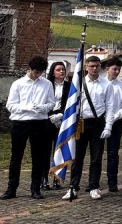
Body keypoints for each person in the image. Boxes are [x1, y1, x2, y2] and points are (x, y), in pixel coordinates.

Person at [3, 56, 55, 201]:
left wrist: (42, 108)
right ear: (30, 69)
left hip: (39, 123)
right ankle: (11, 189)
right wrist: (28, 108)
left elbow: (51, 103)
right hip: (20, 123)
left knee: (38, 157)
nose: (37, 75)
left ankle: (35, 188)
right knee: (16, 157)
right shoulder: (18, 84)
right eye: (35, 72)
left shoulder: (47, 84)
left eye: (40, 72)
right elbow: (10, 105)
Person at [67, 55, 108, 200]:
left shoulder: (106, 84)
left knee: (96, 157)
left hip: (98, 123)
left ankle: (94, 186)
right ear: (86, 67)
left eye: (97, 66)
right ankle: (73, 187)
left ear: (100, 67)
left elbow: (109, 106)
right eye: (91, 66)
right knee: (77, 157)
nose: (94, 68)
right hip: (81, 123)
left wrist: (108, 126)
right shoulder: (79, 83)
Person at [101, 57, 122, 194]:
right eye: (114, 69)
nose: (117, 71)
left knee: (113, 153)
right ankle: (93, 183)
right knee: (97, 153)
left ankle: (112, 182)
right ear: (107, 68)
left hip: (116, 122)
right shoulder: (101, 83)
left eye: (119, 69)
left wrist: (115, 116)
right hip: (100, 121)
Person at [44, 60, 71, 191]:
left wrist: (61, 116)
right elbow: (42, 101)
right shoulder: (46, 85)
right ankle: (44, 179)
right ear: (53, 72)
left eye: (63, 70)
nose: (61, 72)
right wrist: (50, 116)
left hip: (62, 119)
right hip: (47, 119)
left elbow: (71, 103)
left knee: (59, 150)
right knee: (45, 150)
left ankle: (57, 179)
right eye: (58, 70)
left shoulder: (70, 86)